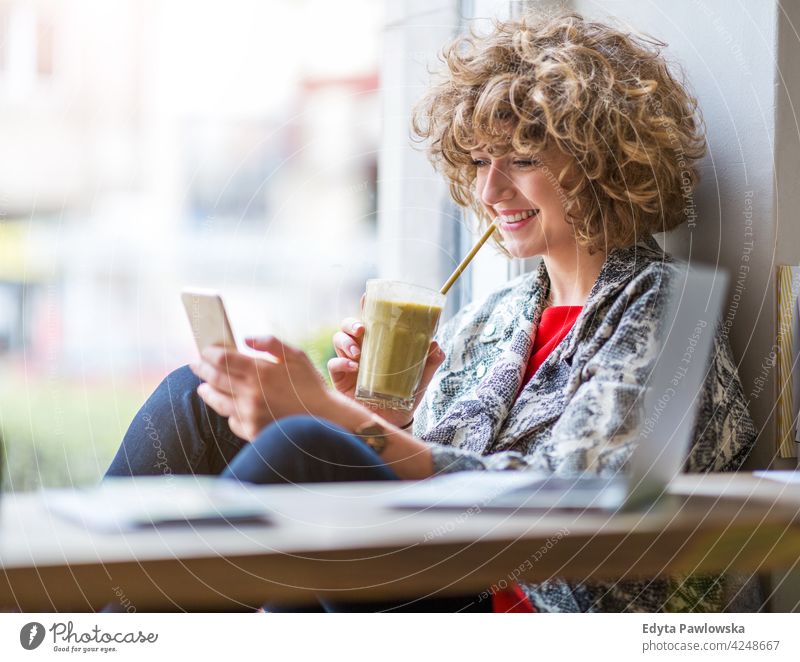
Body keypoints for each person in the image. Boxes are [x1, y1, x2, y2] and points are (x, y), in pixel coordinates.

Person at [104, 10, 757, 612]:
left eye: (523, 160)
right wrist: (379, 419)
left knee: (304, 443)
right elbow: (430, 481)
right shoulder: (491, 319)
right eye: (478, 161)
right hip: (431, 574)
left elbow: (592, 537)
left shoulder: (669, 309)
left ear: (604, 163)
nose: (489, 189)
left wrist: (334, 423)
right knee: (199, 397)